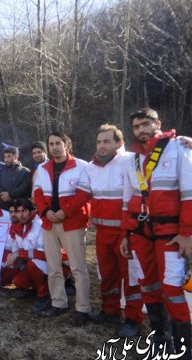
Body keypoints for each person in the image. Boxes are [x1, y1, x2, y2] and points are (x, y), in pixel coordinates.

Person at [120, 108, 192, 360]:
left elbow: (190, 194)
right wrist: (126, 235)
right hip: (140, 234)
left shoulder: (180, 148)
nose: (142, 130)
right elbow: (127, 200)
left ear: (158, 123)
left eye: (146, 124)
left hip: (171, 234)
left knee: (172, 291)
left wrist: (186, 232)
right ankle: (161, 343)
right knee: (149, 287)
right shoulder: (132, 159)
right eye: (137, 126)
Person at [71, 124, 144, 335]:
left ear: (118, 143)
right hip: (102, 232)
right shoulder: (91, 167)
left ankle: (133, 318)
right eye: (99, 141)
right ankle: (110, 310)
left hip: (125, 233)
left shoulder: (130, 160)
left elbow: (137, 197)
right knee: (107, 275)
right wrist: (60, 212)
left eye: (107, 141)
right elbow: (81, 196)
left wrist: (182, 142)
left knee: (130, 277)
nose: (101, 146)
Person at [34, 131, 91, 326]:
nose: (54, 147)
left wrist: (65, 212)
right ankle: (59, 302)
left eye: (58, 143)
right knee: (53, 265)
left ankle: (83, 308)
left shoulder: (81, 166)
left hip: (72, 222)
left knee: (77, 267)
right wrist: (45, 211)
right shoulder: (42, 168)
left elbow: (84, 193)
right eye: (51, 144)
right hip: (49, 222)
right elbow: (38, 192)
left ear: (67, 145)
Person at [5, 199, 52, 313]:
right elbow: (16, 247)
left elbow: (44, 254)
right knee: (18, 282)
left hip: (50, 263)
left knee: (32, 264)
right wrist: (13, 257)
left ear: (32, 212)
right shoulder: (16, 226)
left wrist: (20, 254)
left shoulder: (39, 225)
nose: (22, 214)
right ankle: (40, 287)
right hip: (33, 263)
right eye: (18, 211)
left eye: (25, 211)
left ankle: (44, 295)